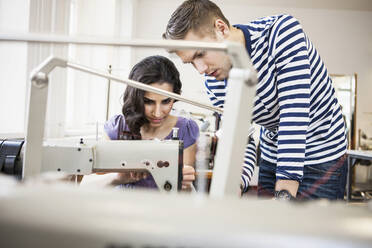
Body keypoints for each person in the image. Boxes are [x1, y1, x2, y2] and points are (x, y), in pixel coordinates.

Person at [163, 0, 348, 200]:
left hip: (322, 155)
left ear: (221, 28)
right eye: (191, 63)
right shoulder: (215, 82)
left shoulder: (281, 33)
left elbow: (294, 112)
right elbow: (243, 136)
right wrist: (237, 183)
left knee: (306, 228)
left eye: (201, 54)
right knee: (266, 227)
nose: (201, 70)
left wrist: (285, 192)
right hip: (273, 155)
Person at [81, 55, 199, 191]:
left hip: (164, 210)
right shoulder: (118, 128)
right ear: (136, 97)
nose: (158, 113)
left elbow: (184, 194)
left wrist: (183, 184)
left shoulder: (186, 130)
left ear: (175, 96)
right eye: (148, 101)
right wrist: (117, 177)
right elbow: (85, 185)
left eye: (166, 101)